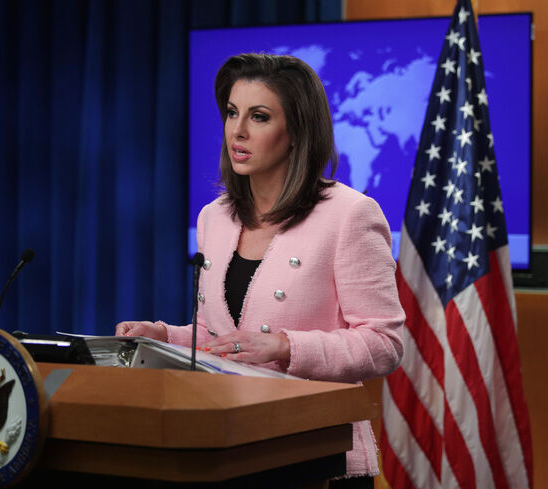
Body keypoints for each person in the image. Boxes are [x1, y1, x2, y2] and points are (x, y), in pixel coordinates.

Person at [115, 53, 405, 488]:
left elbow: (384, 344)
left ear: (296, 133)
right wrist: (165, 337)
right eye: (232, 113)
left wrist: (286, 346)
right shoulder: (215, 217)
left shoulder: (350, 215)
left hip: (316, 455)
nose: (238, 130)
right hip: (232, 450)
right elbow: (221, 336)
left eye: (260, 116)